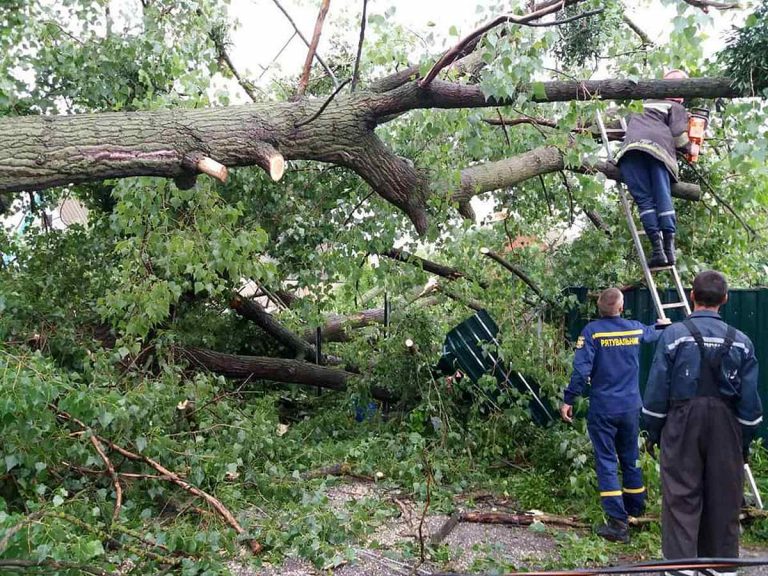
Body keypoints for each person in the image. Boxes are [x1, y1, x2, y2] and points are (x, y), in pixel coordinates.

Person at [643, 270, 762, 564]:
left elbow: (657, 393)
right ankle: (721, 568)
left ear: (693, 296)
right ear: (725, 299)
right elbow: (750, 406)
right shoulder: (742, 342)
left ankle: (681, 568)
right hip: (727, 427)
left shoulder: (673, 336)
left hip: (681, 425)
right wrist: (743, 441)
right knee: (724, 501)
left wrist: (654, 432)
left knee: (681, 499)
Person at [561, 288, 661, 543]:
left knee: (606, 460)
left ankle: (618, 523)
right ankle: (636, 508)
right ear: (620, 306)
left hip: (604, 408)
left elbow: (581, 370)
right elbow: (654, 333)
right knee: (630, 457)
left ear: (600, 308)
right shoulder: (633, 329)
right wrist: (662, 325)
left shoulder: (592, 332)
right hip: (630, 407)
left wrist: (569, 399)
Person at [616, 69, 691, 268]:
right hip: (657, 150)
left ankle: (658, 251)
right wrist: (691, 149)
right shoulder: (673, 106)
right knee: (662, 195)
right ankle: (669, 250)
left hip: (631, 152)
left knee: (644, 200)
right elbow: (679, 137)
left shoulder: (642, 104)